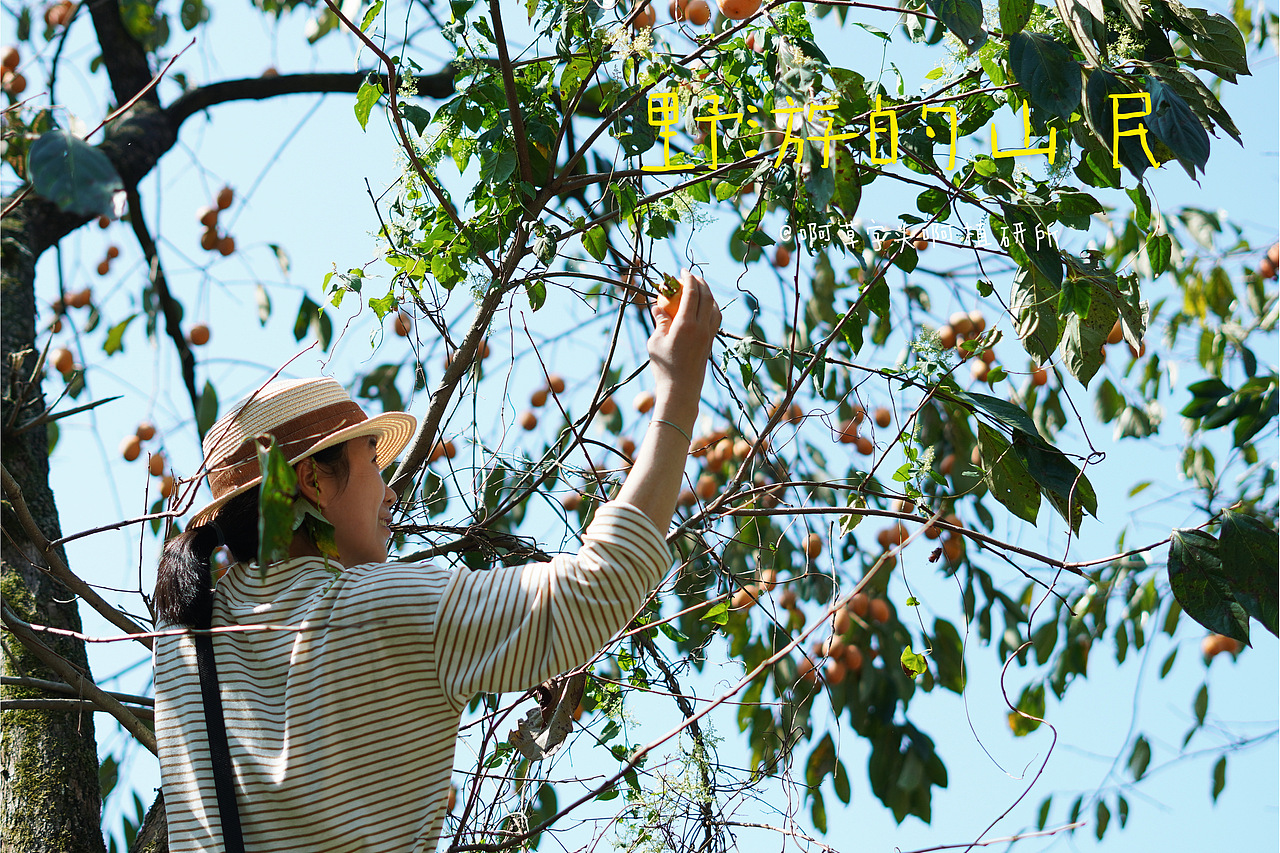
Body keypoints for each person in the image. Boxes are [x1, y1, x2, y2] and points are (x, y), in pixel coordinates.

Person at [152, 272, 720, 852]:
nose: (391, 492)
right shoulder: (377, 605)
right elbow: (602, 584)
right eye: (370, 461)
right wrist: (679, 390)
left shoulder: (182, 645)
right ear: (312, 482)